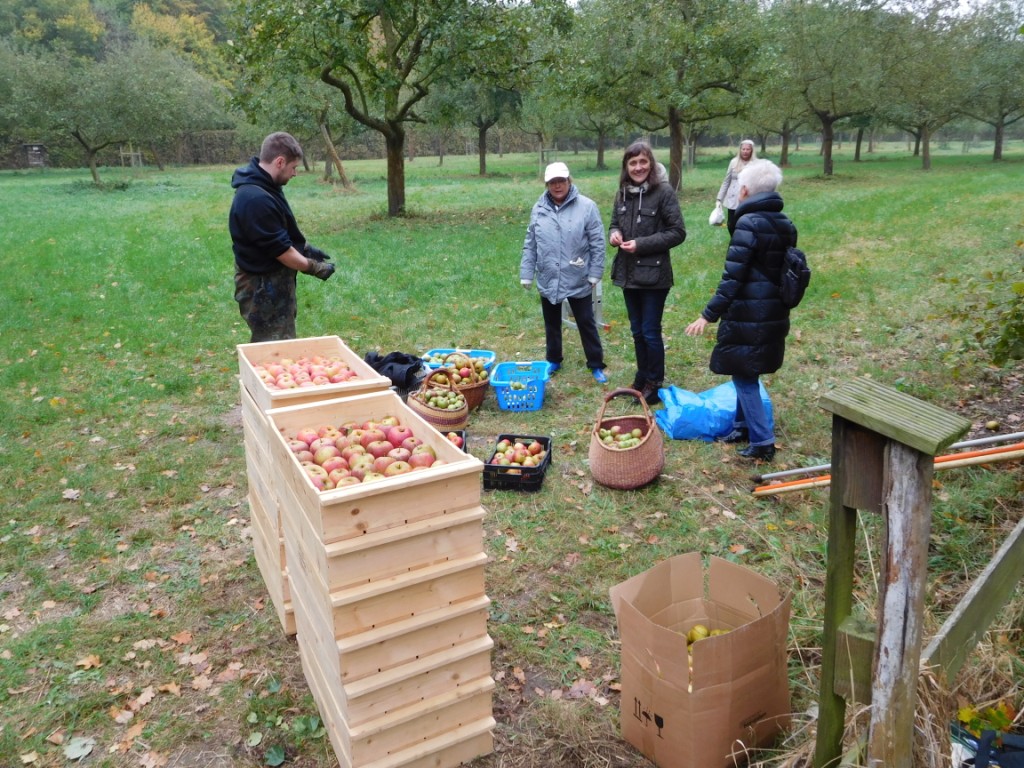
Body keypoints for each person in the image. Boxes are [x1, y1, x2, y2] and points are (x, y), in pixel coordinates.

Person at [684, 159, 797, 462]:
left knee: (744, 376)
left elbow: (733, 277)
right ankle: (741, 427)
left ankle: (763, 441)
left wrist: (707, 315)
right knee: (745, 370)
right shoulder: (784, 223)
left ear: (744, 190)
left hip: (751, 313)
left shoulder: (748, 224)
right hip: (772, 310)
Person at [230, 132, 335, 343]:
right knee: (273, 347)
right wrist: (313, 267)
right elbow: (282, 252)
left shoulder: (267, 186)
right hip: (262, 288)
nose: (295, 173)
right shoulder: (254, 199)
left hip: (274, 282)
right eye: (293, 167)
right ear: (279, 161)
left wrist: (304, 247)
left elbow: (280, 229)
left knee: (281, 340)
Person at [609, 142, 686, 404]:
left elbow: (677, 232)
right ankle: (641, 376)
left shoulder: (663, 192)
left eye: (643, 162)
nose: (638, 167)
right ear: (626, 167)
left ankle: (655, 382)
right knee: (637, 331)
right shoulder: (622, 193)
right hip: (628, 274)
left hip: (654, 276)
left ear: (651, 164)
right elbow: (614, 223)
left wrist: (641, 245)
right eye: (633, 163)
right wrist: (614, 235)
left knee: (650, 330)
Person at [520, 162, 609, 383]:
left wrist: (595, 273)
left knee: (586, 321)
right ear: (547, 184)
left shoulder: (587, 207)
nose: (557, 186)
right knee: (551, 322)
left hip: (578, 275)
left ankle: (596, 363)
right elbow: (530, 242)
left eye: (561, 181)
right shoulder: (538, 208)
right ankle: (554, 359)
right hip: (548, 275)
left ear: (569, 181)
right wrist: (527, 272)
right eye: (552, 182)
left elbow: (598, 243)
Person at [715, 139, 757, 233]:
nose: (745, 151)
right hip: (733, 199)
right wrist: (719, 199)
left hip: (748, 198)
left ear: (752, 151)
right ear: (740, 150)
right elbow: (726, 181)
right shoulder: (733, 162)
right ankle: (734, 242)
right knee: (731, 224)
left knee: (746, 223)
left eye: (748, 149)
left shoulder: (755, 164)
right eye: (743, 149)